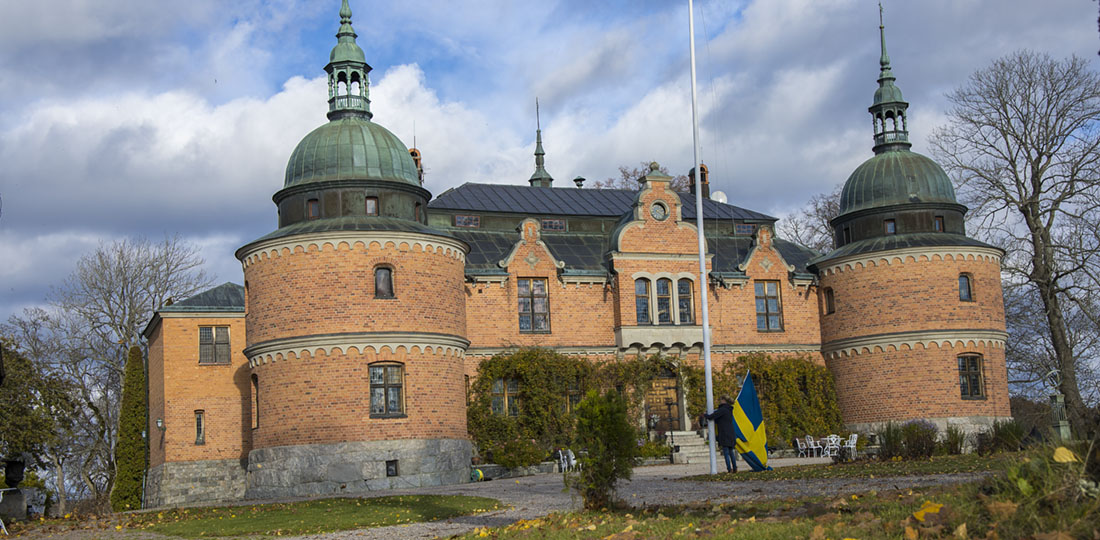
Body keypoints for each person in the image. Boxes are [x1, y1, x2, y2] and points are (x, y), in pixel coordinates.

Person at [702, 395, 738, 473]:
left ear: (723, 400)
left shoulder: (722, 410)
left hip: (724, 433)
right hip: (731, 432)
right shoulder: (729, 409)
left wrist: (705, 414)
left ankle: (729, 469)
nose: (719, 401)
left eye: (720, 399)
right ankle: (735, 468)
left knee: (726, 452)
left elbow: (711, 417)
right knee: (731, 451)